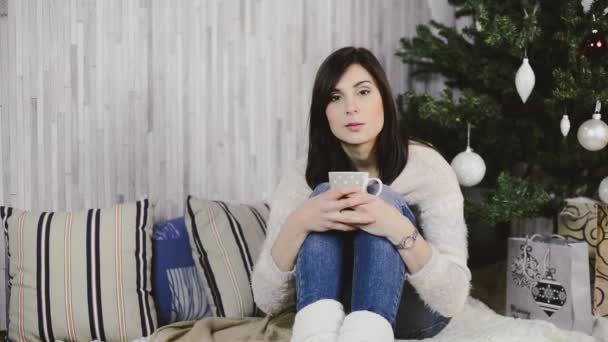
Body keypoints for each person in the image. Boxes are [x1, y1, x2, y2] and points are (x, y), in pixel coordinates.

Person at [251, 47, 471, 342]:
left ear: (384, 100)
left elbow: (453, 297)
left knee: (381, 200)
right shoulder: (301, 175)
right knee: (324, 196)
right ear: (323, 113)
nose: (350, 108)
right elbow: (267, 300)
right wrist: (301, 221)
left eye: (363, 92)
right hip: (336, 308)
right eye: (335, 97)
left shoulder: (428, 167)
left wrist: (396, 227)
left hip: (411, 309)